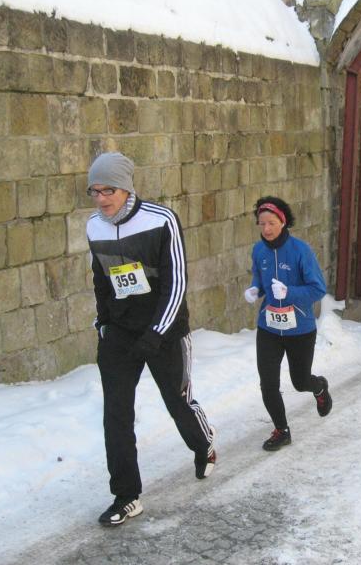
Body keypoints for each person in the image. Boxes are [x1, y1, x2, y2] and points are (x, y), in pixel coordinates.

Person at [86, 152, 215, 527]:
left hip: (165, 328)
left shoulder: (161, 220)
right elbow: (101, 279)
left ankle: (203, 444)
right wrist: (103, 322)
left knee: (177, 400)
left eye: (108, 190)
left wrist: (156, 333)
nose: (101, 199)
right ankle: (126, 496)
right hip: (120, 332)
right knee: (116, 415)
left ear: (126, 188)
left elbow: (177, 283)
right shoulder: (94, 227)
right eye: (95, 191)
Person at [243, 196, 332, 452]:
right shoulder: (258, 250)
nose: (266, 229)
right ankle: (281, 430)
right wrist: (255, 289)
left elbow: (318, 289)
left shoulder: (301, 250)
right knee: (268, 383)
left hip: (300, 329)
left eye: (271, 223)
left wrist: (289, 293)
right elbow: (260, 278)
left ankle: (319, 387)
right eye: (262, 224)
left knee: (300, 381)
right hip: (269, 327)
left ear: (283, 222)